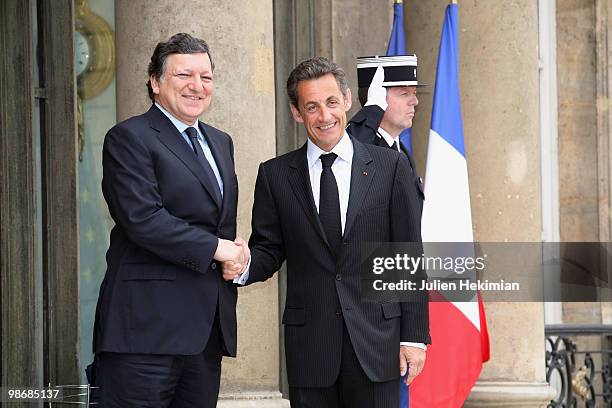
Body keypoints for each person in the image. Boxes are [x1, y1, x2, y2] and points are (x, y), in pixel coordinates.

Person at [225, 57, 430, 408]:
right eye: (312, 106)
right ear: (296, 112)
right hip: (311, 349)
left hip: (377, 344)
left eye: (332, 103)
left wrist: (414, 337)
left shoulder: (390, 166)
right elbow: (269, 249)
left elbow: (407, 256)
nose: (325, 116)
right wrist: (242, 265)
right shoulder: (275, 176)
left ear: (348, 100)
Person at [91, 33, 246, 407]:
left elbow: (216, 223)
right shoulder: (129, 137)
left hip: (204, 334)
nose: (197, 86)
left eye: (206, 77)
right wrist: (218, 248)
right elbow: (143, 219)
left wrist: (235, 253)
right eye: (184, 76)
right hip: (144, 334)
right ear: (156, 82)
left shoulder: (220, 142)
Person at [347, 55, 425, 212]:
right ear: (377, 97)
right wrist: (372, 110)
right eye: (404, 94)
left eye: (414, 92)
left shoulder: (400, 150)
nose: (415, 102)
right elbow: (349, 149)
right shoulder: (361, 145)